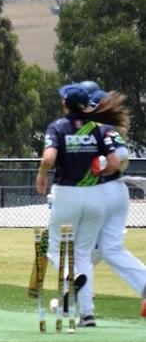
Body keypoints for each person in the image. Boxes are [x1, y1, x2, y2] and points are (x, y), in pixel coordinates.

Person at [35, 83, 120, 327]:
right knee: (82, 254)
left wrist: (41, 174)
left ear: (65, 104)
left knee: (53, 249)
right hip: (95, 195)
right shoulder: (100, 129)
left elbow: (49, 158)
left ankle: (68, 277)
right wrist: (99, 169)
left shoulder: (58, 127)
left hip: (67, 194)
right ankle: (87, 314)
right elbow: (115, 164)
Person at [83, 89, 146, 320]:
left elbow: (116, 158)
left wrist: (100, 166)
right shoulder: (112, 131)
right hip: (118, 192)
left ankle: (82, 303)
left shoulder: (94, 130)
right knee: (111, 249)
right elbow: (123, 157)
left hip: (101, 191)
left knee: (83, 250)